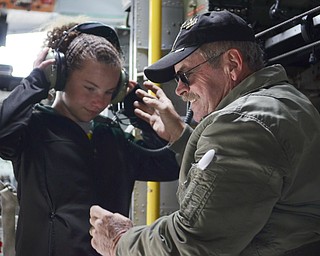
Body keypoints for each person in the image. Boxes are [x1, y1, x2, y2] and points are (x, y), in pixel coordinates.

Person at [89, 10, 320, 256]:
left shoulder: (242, 122)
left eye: (185, 75)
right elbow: (242, 178)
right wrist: (180, 136)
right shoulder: (280, 101)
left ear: (232, 64)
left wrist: (120, 241)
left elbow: (192, 241)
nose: (179, 90)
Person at [0, 21, 179, 256]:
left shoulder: (113, 138)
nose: (99, 101)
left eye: (108, 92)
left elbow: (168, 166)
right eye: (90, 88)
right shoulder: (35, 128)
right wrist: (35, 83)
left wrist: (136, 113)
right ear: (61, 78)